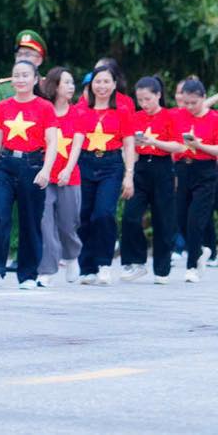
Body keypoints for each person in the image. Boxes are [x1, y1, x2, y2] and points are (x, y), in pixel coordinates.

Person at [0, 60, 59, 289]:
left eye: (25, 76)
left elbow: (52, 141)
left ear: (35, 79)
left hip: (32, 166)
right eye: (17, 76)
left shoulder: (44, 107)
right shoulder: (4, 106)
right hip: (5, 165)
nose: (20, 80)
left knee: (30, 222)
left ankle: (28, 274)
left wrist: (46, 169)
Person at [119, 76, 183, 284]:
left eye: (148, 99)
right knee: (130, 215)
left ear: (158, 95)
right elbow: (126, 144)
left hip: (162, 167)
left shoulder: (169, 116)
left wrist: (154, 141)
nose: (144, 104)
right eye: (140, 100)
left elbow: (179, 146)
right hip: (140, 167)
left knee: (163, 219)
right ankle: (136, 261)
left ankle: (162, 269)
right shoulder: (134, 117)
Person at [75, 63, 134, 285]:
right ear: (91, 85)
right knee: (84, 215)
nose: (101, 86)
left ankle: (104, 264)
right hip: (85, 162)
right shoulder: (81, 110)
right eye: (97, 82)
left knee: (104, 213)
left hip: (111, 164)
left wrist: (129, 175)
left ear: (114, 85)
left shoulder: (122, 110)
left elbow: (129, 144)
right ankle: (86, 267)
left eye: (106, 81)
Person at [38, 67, 86, 287]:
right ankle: (47, 268)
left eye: (72, 82)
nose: (71, 87)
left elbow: (77, 144)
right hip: (45, 176)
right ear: (55, 85)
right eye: (66, 82)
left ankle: (72, 255)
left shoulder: (77, 112)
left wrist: (67, 169)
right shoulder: (43, 110)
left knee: (68, 223)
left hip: (69, 175)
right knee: (45, 222)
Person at [173, 77, 218, 281]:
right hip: (183, 170)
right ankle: (198, 251)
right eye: (186, 102)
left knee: (195, 220)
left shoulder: (214, 118)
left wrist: (199, 145)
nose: (190, 107)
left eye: (194, 102)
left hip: (205, 171)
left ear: (203, 98)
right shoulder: (179, 115)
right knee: (180, 217)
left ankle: (192, 266)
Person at [0, 29, 47, 108]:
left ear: (39, 60)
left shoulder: (48, 86)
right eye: (19, 55)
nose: (22, 59)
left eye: (27, 55)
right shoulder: (4, 87)